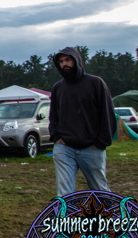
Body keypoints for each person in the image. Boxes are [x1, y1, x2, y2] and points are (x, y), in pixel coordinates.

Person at [49, 47, 116, 197]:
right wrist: (55, 136)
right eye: (61, 61)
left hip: (92, 147)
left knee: (99, 189)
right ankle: (65, 213)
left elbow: (107, 114)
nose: (64, 64)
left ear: (77, 60)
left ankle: (107, 212)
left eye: (68, 60)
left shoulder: (95, 83)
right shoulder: (58, 88)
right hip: (65, 148)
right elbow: (53, 115)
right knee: (64, 191)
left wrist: (101, 142)